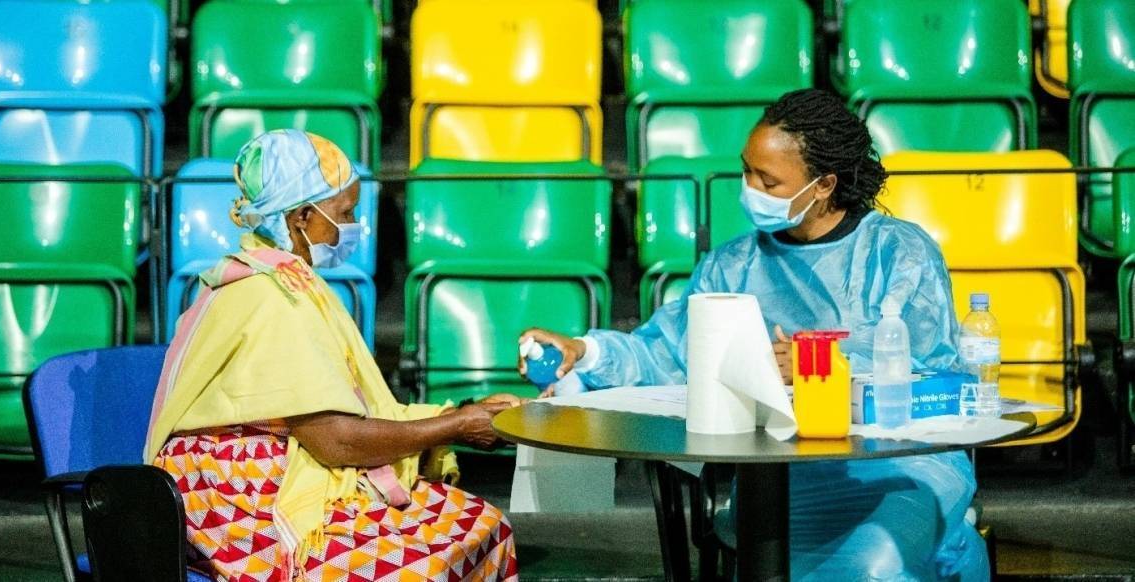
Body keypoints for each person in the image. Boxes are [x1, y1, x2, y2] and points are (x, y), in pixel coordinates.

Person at [520, 89, 986, 580]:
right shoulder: (733, 264)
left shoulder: (898, 251)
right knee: (771, 563)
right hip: (779, 471)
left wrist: (817, 360)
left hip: (904, 462)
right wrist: (585, 351)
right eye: (747, 172)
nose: (750, 189)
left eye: (769, 180)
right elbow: (667, 351)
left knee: (873, 567)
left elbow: (927, 361)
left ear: (824, 184)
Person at [146, 129, 519, 582]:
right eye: (345, 213)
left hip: (289, 463)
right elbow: (334, 440)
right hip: (238, 494)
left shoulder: (286, 278)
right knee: (419, 569)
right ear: (303, 216)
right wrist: (457, 426)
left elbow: (353, 413)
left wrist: (461, 413)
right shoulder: (272, 296)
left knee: (483, 524)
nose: (353, 225)